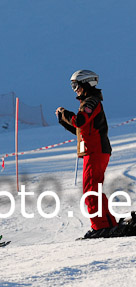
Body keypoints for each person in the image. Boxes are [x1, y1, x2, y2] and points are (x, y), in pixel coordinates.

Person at [56, 70, 117, 238]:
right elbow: (80, 128)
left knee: (90, 190)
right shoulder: (89, 102)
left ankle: (100, 226)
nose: (74, 89)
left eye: (76, 85)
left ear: (86, 84)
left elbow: (80, 120)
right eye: (72, 86)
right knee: (94, 189)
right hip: (94, 151)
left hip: (95, 151)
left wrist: (65, 114)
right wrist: (63, 120)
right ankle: (109, 224)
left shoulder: (91, 101)